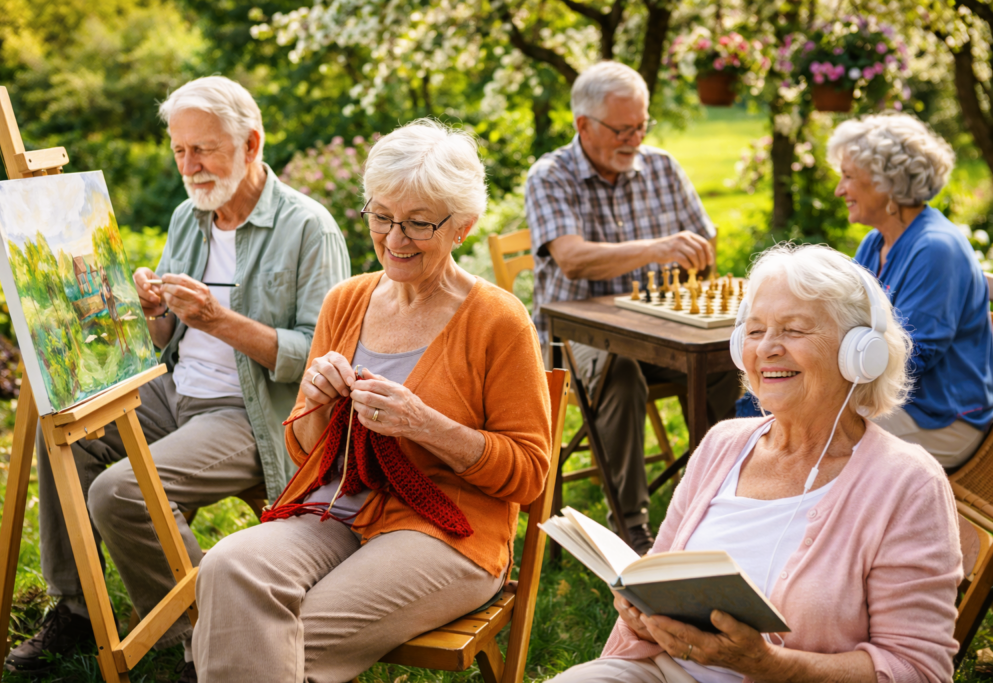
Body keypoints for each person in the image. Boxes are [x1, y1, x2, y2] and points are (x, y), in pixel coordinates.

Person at [7, 76, 350, 678]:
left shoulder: (308, 227)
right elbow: (165, 340)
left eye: (204, 149)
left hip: (257, 412)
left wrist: (220, 319)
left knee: (120, 493)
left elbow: (321, 358)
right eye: (179, 150)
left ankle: (204, 639)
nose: (189, 166)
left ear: (251, 143)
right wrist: (156, 313)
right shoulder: (187, 218)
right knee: (64, 424)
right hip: (174, 392)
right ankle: (79, 607)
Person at [189, 119, 552, 682]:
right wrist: (315, 399)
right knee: (227, 566)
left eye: (417, 223)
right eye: (381, 217)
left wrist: (425, 424)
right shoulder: (347, 300)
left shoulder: (499, 321)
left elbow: (529, 475)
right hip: (337, 509)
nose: (394, 239)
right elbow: (307, 451)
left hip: (448, 530)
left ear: (463, 228)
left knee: (280, 634)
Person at [549, 243, 962, 683]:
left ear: (860, 353)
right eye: (755, 330)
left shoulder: (907, 484)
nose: (766, 349)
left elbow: (919, 670)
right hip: (662, 671)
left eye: (794, 330)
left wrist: (768, 666)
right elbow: (661, 568)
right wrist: (641, 609)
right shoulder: (722, 445)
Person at [526, 60, 740, 553]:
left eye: (641, 126)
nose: (635, 139)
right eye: (622, 129)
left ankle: (721, 497)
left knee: (727, 362)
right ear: (583, 125)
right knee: (619, 371)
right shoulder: (551, 175)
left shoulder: (662, 166)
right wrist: (658, 248)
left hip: (659, 326)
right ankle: (632, 529)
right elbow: (573, 260)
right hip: (574, 338)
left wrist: (694, 250)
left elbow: (703, 233)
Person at [831, 112, 993, 468]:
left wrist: (829, 376)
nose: (839, 190)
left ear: (887, 184)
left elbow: (912, 356)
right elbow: (847, 321)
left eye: (848, 177)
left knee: (819, 434)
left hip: (942, 417)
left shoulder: (936, 248)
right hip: (892, 400)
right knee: (794, 414)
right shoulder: (875, 243)